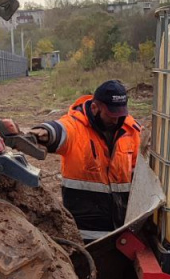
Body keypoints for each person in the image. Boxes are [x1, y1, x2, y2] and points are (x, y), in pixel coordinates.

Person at [29, 79, 141, 240]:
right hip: (85, 233)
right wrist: (47, 132)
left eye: (120, 114)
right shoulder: (76, 126)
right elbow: (61, 130)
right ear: (95, 108)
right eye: (111, 115)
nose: (116, 120)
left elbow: (138, 177)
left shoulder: (131, 131)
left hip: (123, 230)